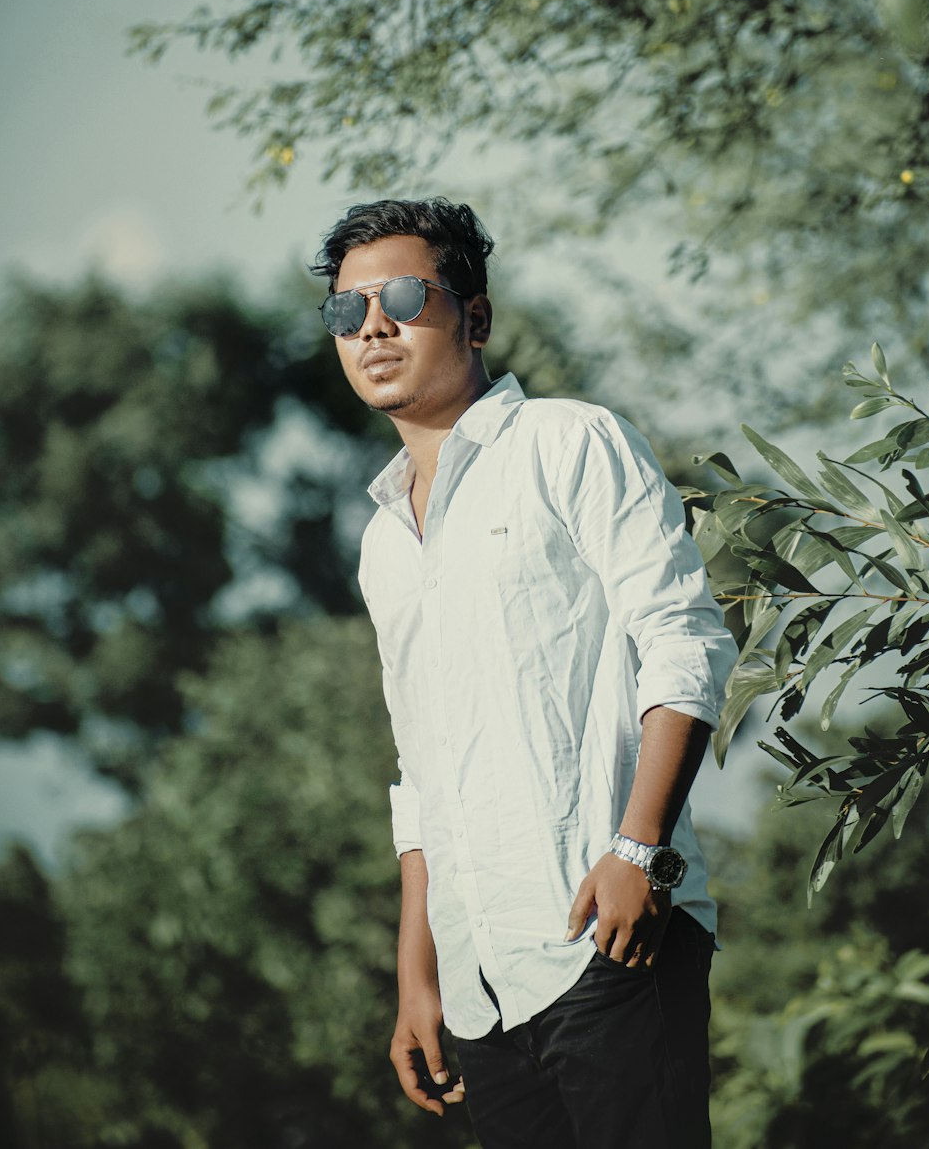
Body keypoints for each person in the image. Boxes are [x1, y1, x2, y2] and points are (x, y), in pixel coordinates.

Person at [312, 196, 739, 1149]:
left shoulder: (566, 442)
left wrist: (640, 852)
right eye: (347, 311)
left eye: (405, 297)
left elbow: (686, 641)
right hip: (481, 986)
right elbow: (420, 769)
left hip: (611, 935)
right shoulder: (384, 540)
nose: (373, 327)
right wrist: (419, 975)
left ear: (475, 316)